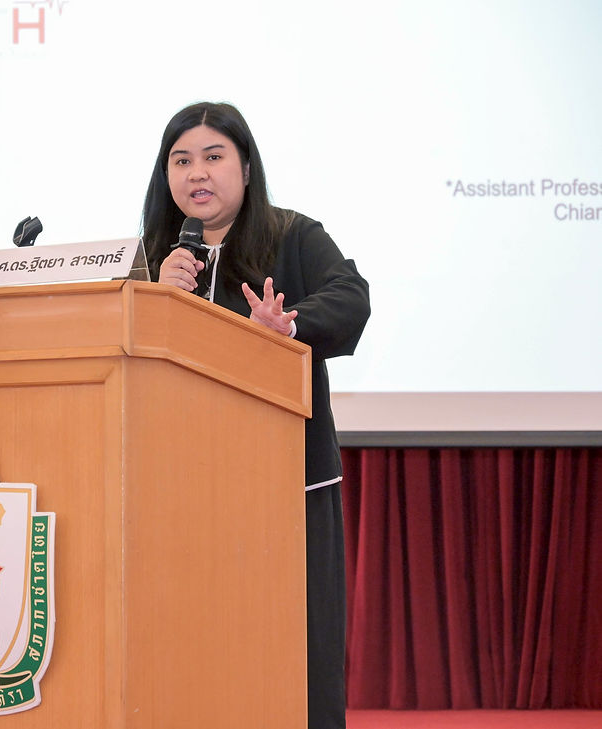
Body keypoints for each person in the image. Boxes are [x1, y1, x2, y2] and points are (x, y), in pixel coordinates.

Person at [141, 101, 370, 729]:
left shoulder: (293, 235)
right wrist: (151, 296)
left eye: (213, 157)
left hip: (285, 484)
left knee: (293, 644)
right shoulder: (155, 255)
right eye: (181, 161)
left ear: (245, 166)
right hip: (178, 487)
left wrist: (286, 325)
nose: (197, 173)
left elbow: (351, 298)